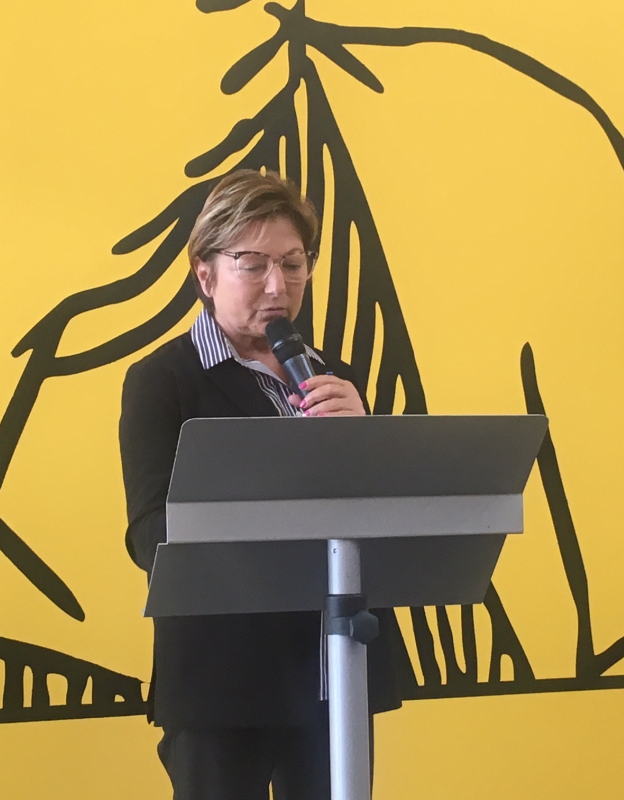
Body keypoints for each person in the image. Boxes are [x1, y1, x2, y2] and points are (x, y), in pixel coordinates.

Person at [119, 169, 401, 799]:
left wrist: (367, 445)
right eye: (253, 265)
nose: (279, 286)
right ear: (205, 274)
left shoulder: (335, 380)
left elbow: (381, 523)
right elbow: (150, 535)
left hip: (332, 666)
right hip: (222, 680)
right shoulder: (163, 381)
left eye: (294, 264)